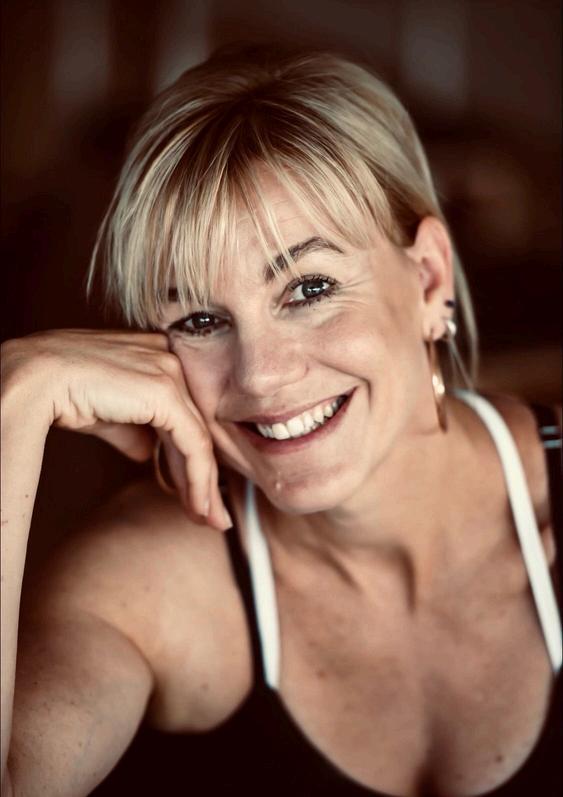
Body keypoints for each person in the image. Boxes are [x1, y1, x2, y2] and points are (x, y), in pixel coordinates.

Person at [1, 46, 561, 797]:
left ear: (428, 280)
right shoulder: (149, 583)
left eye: (309, 288)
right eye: (200, 319)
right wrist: (14, 405)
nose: (260, 374)